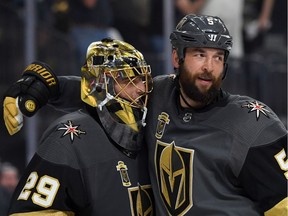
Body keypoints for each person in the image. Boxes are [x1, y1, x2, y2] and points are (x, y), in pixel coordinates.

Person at [4, 15, 287, 215]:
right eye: (199, 54)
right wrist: (45, 86)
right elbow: (107, 90)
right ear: (177, 58)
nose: (209, 67)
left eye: (218, 57)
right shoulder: (156, 96)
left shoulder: (253, 124)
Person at [6, 38, 154, 215]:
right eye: (130, 80)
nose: (142, 88)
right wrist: (56, 87)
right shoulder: (68, 138)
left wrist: (57, 87)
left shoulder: (154, 124)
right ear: (101, 83)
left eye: (142, 79)